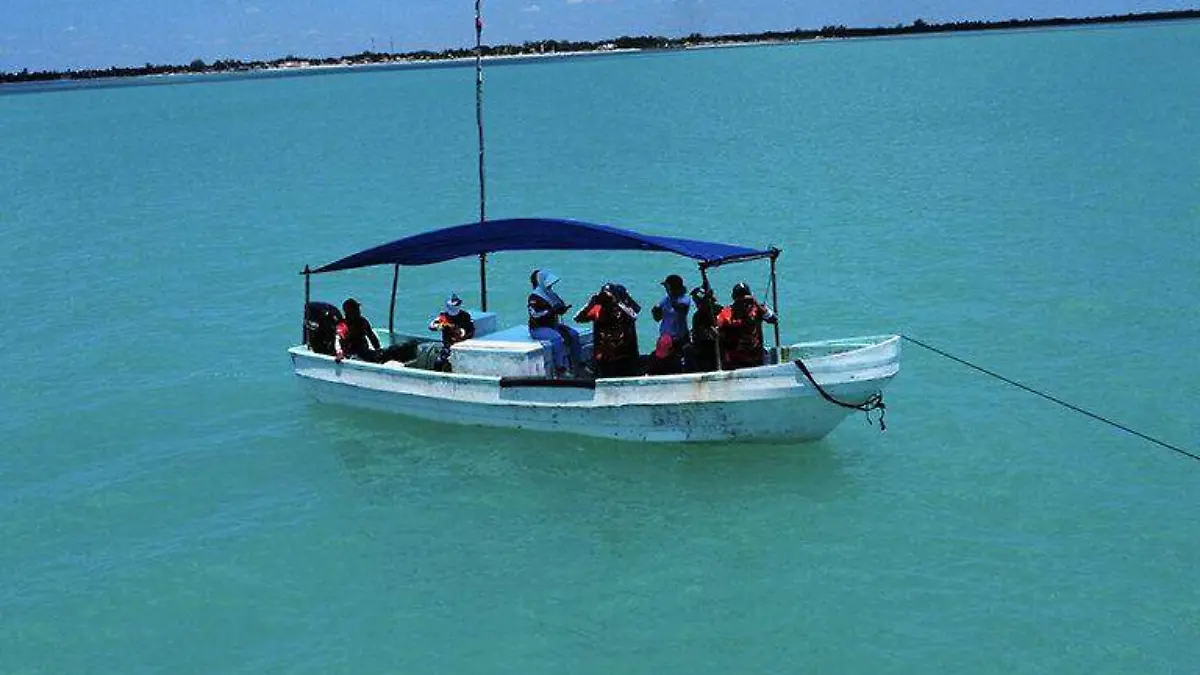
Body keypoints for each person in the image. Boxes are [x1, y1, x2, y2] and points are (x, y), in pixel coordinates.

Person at [574, 283, 640, 378]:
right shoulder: (597, 310)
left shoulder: (621, 310)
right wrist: (591, 303)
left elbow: (633, 316)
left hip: (624, 355)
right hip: (604, 356)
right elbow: (578, 318)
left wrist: (617, 302)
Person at [527, 269, 582, 376]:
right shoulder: (534, 298)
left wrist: (563, 308)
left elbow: (559, 306)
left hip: (552, 325)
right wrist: (551, 311)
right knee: (557, 338)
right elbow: (535, 314)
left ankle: (578, 363)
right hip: (538, 328)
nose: (550, 286)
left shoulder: (551, 294)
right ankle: (560, 367)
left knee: (573, 334)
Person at [715, 283, 778, 370]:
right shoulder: (726, 313)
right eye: (740, 298)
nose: (743, 302)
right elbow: (717, 334)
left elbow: (773, 320)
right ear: (734, 298)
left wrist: (756, 303)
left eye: (745, 298)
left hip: (757, 356)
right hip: (736, 360)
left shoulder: (757, 309)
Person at [336, 298, 418, 364]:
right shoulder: (343, 326)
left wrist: (378, 349)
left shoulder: (362, 321)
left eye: (358, 309)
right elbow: (338, 340)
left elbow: (372, 337)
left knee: (394, 350)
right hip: (354, 356)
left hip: (365, 352)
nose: (359, 311)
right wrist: (340, 354)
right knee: (388, 354)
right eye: (356, 309)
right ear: (349, 312)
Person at [646, 274, 691, 375]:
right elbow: (658, 318)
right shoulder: (665, 299)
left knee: (677, 365)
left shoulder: (684, 299)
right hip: (665, 339)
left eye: (667, 287)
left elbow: (681, 308)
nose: (666, 289)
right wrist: (656, 311)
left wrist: (672, 296)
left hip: (679, 339)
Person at [428, 294, 476, 372]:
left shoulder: (465, 316)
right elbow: (431, 326)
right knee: (439, 362)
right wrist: (442, 326)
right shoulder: (443, 317)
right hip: (448, 346)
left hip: (462, 345)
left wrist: (462, 335)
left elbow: (471, 331)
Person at [686, 286, 723, 373]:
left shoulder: (718, 310)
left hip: (713, 346)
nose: (696, 304)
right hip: (705, 345)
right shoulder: (698, 315)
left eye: (697, 301)